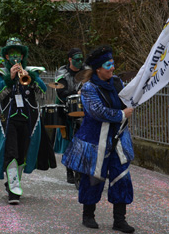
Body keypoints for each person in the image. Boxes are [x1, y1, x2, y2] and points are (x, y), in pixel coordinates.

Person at [62, 45, 135, 233]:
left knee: (121, 178)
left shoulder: (118, 83)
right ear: (98, 69)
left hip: (118, 141)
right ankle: (88, 215)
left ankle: (119, 220)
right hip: (96, 142)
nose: (112, 67)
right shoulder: (88, 88)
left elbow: (129, 101)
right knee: (93, 178)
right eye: (108, 64)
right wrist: (122, 114)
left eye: (113, 63)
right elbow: (97, 112)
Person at [0, 38, 56, 205]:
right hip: (8, 120)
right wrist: (10, 78)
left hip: (28, 119)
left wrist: (32, 78)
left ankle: (13, 182)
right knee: (11, 151)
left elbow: (43, 90)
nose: (15, 58)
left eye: (18, 54)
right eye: (11, 55)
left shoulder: (31, 71)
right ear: (6, 57)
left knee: (22, 152)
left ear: (23, 56)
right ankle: (14, 190)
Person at [54, 48, 85, 187]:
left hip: (84, 109)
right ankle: (69, 170)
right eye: (77, 59)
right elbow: (61, 92)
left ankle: (81, 170)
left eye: (81, 59)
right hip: (67, 108)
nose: (80, 62)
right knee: (68, 141)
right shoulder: (62, 73)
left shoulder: (86, 71)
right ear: (70, 60)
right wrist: (75, 92)